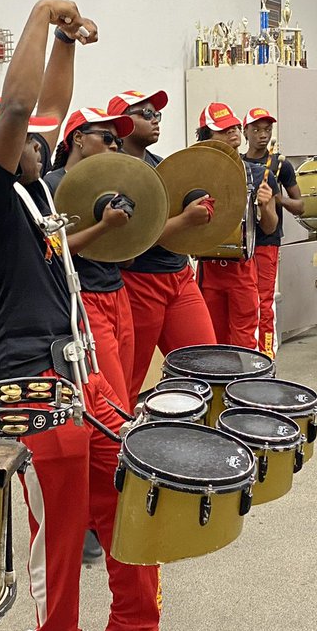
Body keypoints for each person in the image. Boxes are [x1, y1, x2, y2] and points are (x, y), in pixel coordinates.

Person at [0, 4, 195, 631]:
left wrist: (65, 39)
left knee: (131, 490)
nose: (44, 141)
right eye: (28, 138)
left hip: (76, 372)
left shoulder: (34, 197)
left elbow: (49, 104)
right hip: (26, 381)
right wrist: (40, 14)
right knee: (57, 532)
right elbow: (25, 102)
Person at [109, 90, 216, 399]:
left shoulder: (165, 165)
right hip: (139, 282)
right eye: (146, 114)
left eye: (157, 114)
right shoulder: (111, 172)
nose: (156, 120)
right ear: (122, 122)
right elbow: (131, 241)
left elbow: (178, 223)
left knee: (207, 369)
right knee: (128, 382)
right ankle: (120, 443)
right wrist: (185, 220)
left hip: (180, 276)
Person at [44, 108, 138, 411]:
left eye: (118, 143)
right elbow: (55, 251)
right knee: (111, 398)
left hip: (117, 291)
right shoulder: (52, 185)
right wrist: (105, 226)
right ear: (79, 138)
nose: (114, 146)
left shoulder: (111, 185)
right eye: (107, 137)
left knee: (125, 385)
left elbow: (124, 256)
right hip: (84, 299)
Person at [194, 103, 277, 349]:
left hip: (242, 268)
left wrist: (265, 205)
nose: (232, 133)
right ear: (206, 137)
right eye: (222, 130)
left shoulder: (257, 173)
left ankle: (245, 386)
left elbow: (270, 228)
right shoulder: (195, 172)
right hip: (208, 268)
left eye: (233, 127)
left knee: (245, 340)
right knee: (213, 340)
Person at [241, 107, 303, 358]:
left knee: (264, 301)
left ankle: (266, 357)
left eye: (267, 130)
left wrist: (278, 200)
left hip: (267, 241)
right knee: (245, 303)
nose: (262, 135)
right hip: (242, 244)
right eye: (256, 129)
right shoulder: (237, 164)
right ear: (245, 132)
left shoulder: (281, 165)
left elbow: (301, 205)